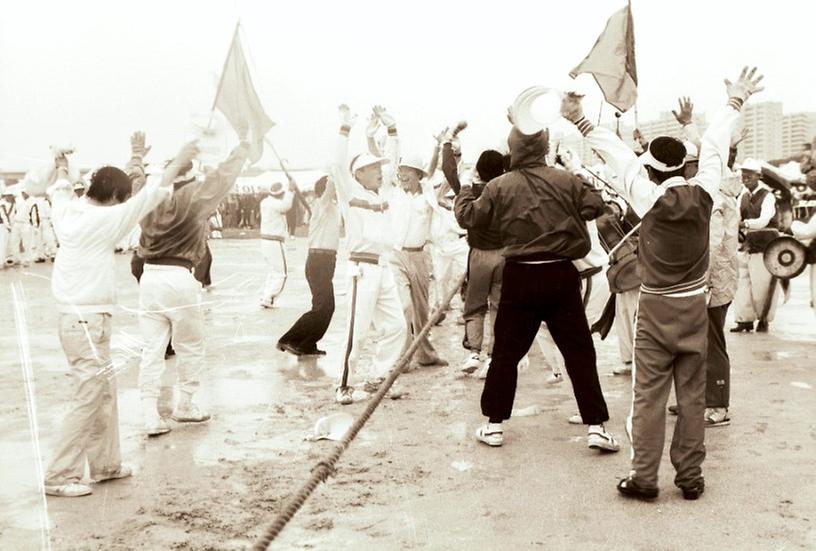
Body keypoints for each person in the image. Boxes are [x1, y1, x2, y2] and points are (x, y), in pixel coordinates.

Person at [564, 66, 764, 500]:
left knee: (648, 397)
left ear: (652, 170)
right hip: (694, 307)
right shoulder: (706, 191)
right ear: (680, 167)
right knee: (692, 398)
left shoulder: (646, 194)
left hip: (655, 310)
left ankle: (644, 478)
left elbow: (615, 154)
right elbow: (713, 146)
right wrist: (735, 100)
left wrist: (578, 119)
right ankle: (690, 478)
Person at [42, 132, 196, 497]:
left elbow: (60, 187)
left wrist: (61, 160)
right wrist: (181, 157)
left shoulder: (70, 210)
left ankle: (105, 464)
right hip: (86, 320)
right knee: (88, 395)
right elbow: (152, 193)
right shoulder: (104, 220)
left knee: (103, 392)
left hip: (80, 318)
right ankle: (59, 474)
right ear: (114, 197)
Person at [454, 113, 620, 453]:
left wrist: (469, 184)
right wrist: (573, 171)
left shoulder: (499, 185)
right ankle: (596, 427)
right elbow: (596, 205)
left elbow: (467, 216)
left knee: (505, 354)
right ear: (545, 148)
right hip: (561, 274)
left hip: (520, 275)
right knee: (579, 353)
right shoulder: (565, 181)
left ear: (513, 149)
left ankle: (494, 425)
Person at [136, 136, 250, 436]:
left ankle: (149, 412)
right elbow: (223, 177)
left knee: (151, 349)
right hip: (179, 277)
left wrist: (136, 154)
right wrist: (243, 149)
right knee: (190, 346)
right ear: (190, 176)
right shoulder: (193, 198)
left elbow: (134, 178)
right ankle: (185, 404)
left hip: (149, 277)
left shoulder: (149, 197)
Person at [332, 104, 407, 405]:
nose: (380, 171)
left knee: (397, 327)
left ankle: (378, 378)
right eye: (374, 167)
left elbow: (396, 159)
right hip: (360, 269)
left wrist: (393, 130)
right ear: (359, 173)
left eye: (380, 167)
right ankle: (343, 385)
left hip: (384, 268)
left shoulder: (385, 190)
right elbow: (338, 165)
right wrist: (344, 129)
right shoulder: (349, 192)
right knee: (357, 331)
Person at [443, 132, 506, 374]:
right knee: (500, 306)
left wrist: (448, 144)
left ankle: (474, 353)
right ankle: (494, 354)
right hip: (504, 255)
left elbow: (449, 172)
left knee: (475, 305)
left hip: (479, 254)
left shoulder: (471, 191)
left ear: (478, 171)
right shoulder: (508, 189)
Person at [278, 175, 341, 356]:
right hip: (319, 260)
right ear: (325, 191)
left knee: (325, 306)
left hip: (326, 261)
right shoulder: (323, 204)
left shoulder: (331, 207)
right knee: (323, 307)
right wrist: (335, 168)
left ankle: (307, 344)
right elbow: (331, 185)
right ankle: (290, 339)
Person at [731, 158, 780, 333]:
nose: (745, 176)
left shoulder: (768, 196)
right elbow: (736, 216)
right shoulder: (742, 196)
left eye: (750, 173)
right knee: (742, 282)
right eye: (744, 173)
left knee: (762, 283)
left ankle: (764, 319)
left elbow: (764, 220)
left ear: (758, 176)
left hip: (766, 244)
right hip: (746, 243)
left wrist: (745, 224)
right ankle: (744, 319)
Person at [259, 180, 294, 308]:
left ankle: (266, 295)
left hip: (267, 241)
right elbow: (286, 206)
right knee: (281, 273)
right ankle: (270, 298)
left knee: (273, 272)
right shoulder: (275, 204)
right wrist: (291, 191)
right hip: (275, 242)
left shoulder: (266, 202)